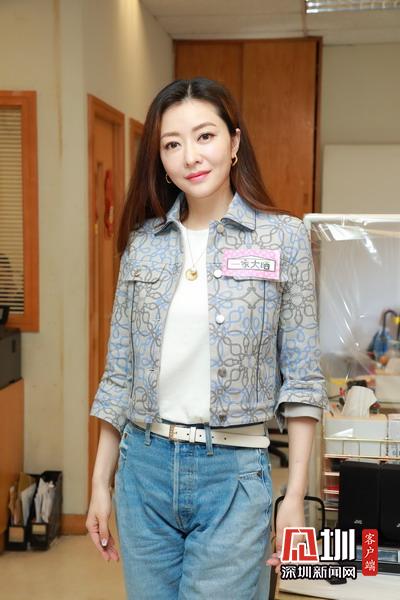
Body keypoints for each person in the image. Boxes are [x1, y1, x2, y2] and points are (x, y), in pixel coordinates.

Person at [86, 77, 328, 599]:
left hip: (233, 476)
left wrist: (294, 496)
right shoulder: (143, 245)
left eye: (205, 136)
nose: (190, 157)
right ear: (160, 159)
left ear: (234, 141)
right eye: (172, 144)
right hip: (143, 471)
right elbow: (118, 376)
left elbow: (304, 378)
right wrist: (100, 483)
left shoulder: (283, 238)